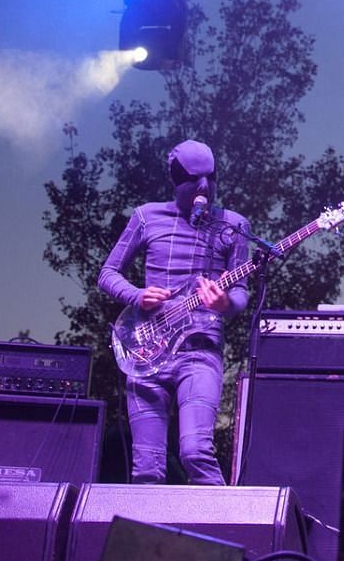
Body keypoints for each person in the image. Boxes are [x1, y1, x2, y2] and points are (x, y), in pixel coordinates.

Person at [99, 140, 250, 485]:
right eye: (195, 182)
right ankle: (143, 539)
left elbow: (240, 291)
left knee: (196, 451)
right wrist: (138, 295)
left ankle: (221, 534)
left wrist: (224, 304)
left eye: (210, 181)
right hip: (145, 347)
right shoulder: (146, 217)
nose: (203, 190)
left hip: (200, 352)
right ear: (176, 181)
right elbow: (107, 274)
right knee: (147, 467)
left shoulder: (233, 226)